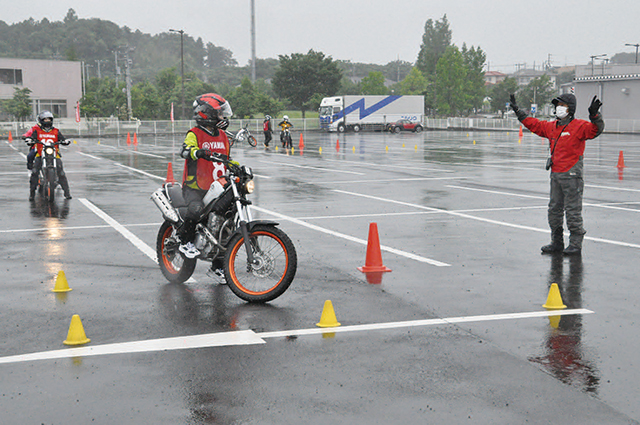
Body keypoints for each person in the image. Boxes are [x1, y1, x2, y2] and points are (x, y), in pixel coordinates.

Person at [510, 93, 604, 255]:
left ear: (571, 109)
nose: (559, 108)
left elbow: (596, 130)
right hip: (555, 175)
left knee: (573, 211)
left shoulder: (580, 126)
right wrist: (519, 112)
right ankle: (557, 242)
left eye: (563, 105)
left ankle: (575, 244)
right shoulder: (552, 126)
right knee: (554, 210)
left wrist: (594, 116)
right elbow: (534, 124)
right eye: (558, 105)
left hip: (572, 176)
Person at [178, 93, 233, 260]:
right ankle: (185, 242)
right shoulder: (194, 133)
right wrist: (197, 152)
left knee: (225, 222)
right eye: (219, 113)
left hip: (217, 187)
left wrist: (237, 167)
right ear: (206, 114)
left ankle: (219, 266)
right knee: (195, 209)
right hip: (196, 186)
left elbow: (227, 159)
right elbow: (185, 151)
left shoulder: (223, 136)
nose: (223, 117)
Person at [23, 110, 72, 201]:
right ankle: (32, 193)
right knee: (35, 173)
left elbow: (62, 139)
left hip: (54, 155)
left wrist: (65, 141)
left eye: (49, 119)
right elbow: (32, 138)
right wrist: (30, 140)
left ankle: (67, 193)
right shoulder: (37, 131)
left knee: (61, 172)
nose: (47, 121)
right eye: (45, 119)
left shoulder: (56, 131)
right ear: (41, 120)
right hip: (40, 154)